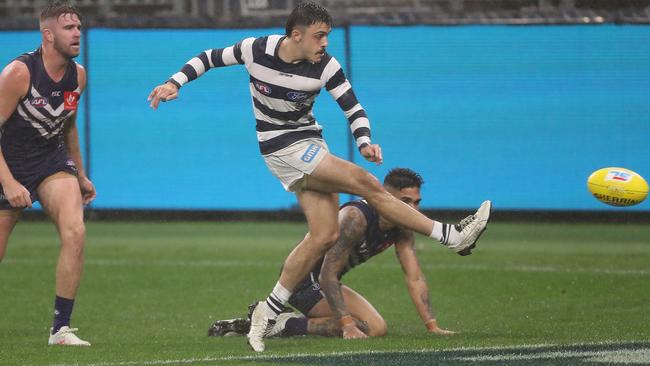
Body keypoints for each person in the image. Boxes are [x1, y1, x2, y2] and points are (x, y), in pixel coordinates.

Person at [148, 1, 491, 352]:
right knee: (368, 184)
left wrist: (364, 140)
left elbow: (353, 107)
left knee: (324, 235)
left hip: (310, 142)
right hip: (281, 147)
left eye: (327, 35)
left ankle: (269, 311)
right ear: (295, 36)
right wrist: (174, 83)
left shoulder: (326, 65)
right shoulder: (256, 49)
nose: (325, 43)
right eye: (319, 36)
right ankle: (451, 236)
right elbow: (208, 57)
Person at [209, 168, 480, 339]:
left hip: (327, 281)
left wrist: (431, 325)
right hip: (305, 281)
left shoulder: (402, 226)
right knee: (370, 327)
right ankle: (280, 325)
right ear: (386, 196)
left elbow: (415, 277)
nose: (413, 209)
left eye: (417, 203)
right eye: (405, 202)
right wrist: (347, 324)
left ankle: (278, 321)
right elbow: (327, 273)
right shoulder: (355, 218)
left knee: (373, 327)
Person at [0, 1, 95, 346]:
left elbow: (68, 127)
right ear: (47, 34)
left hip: (51, 162)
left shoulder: (78, 75)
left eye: (79, 28)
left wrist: (81, 175)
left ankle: (60, 329)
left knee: (75, 232)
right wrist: (9, 182)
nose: (76, 34)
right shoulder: (19, 73)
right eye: (69, 28)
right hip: (8, 164)